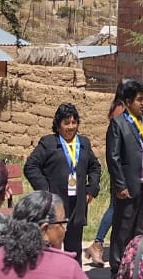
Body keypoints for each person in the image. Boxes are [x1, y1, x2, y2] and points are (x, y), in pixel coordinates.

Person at [24, 104, 101, 261]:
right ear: (58, 125)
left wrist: (91, 189)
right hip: (55, 206)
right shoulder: (49, 143)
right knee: (52, 247)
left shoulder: (84, 144)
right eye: (66, 123)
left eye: (74, 122)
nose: (71, 127)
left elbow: (95, 167)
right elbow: (31, 166)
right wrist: (45, 191)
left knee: (74, 250)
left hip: (77, 204)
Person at [105, 80, 143, 273]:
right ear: (128, 101)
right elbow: (113, 157)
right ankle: (117, 267)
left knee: (141, 227)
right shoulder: (118, 124)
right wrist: (120, 185)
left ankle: (135, 264)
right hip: (127, 185)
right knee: (123, 227)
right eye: (139, 100)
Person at [86, 81, 130, 268]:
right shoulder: (120, 110)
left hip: (128, 168)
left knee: (122, 210)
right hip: (121, 169)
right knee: (115, 207)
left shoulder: (123, 108)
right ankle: (97, 243)